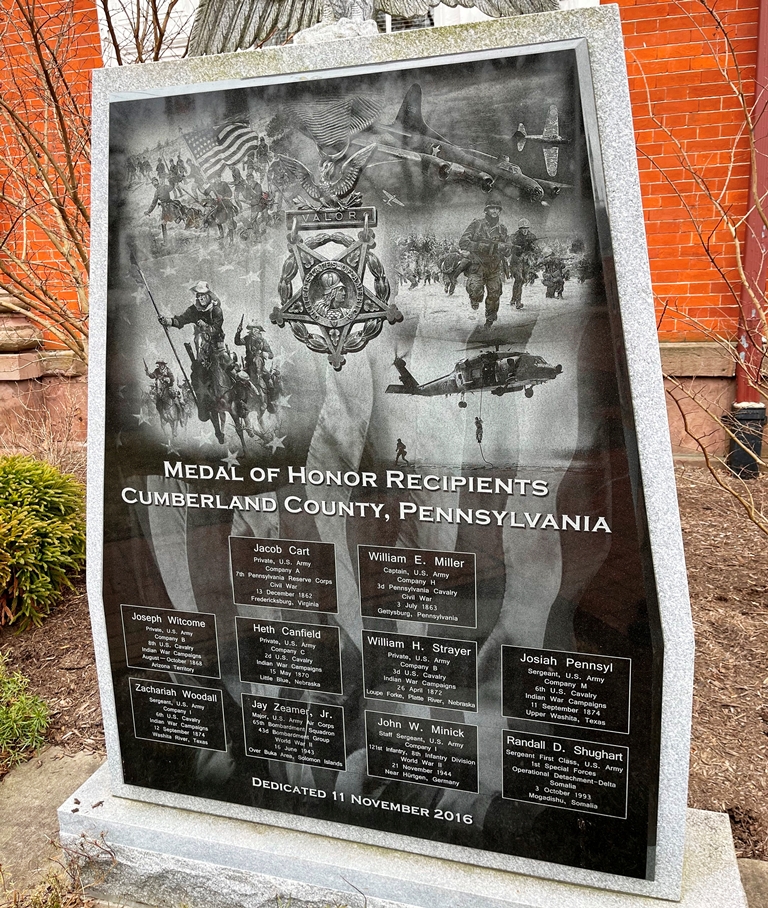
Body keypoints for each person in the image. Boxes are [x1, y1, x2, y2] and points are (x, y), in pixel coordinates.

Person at [158, 281, 228, 441]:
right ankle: (203, 406)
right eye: (198, 295)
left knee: (229, 367)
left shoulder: (216, 310)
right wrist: (168, 321)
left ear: (209, 295)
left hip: (217, 348)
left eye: (203, 294)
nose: (201, 297)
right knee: (195, 375)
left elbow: (217, 328)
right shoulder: (194, 310)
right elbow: (181, 320)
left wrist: (205, 327)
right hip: (201, 349)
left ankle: (238, 392)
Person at [459, 200, 511, 328]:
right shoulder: (477, 224)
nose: (494, 211)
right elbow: (463, 242)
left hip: (494, 267)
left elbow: (508, 249)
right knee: (476, 291)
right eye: (491, 208)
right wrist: (480, 246)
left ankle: (489, 320)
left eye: (497, 209)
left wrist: (506, 249)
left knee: (494, 294)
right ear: (486, 210)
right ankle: (474, 298)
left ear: (499, 211)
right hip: (478, 266)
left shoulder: (502, 229)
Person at [509, 218, 540, 310]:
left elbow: (536, 250)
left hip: (526, 261)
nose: (525, 230)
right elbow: (510, 249)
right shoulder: (514, 237)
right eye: (523, 228)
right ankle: (518, 302)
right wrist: (518, 248)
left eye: (526, 228)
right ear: (519, 229)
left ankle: (513, 298)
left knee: (522, 281)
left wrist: (531, 246)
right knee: (519, 279)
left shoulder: (531, 236)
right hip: (516, 261)